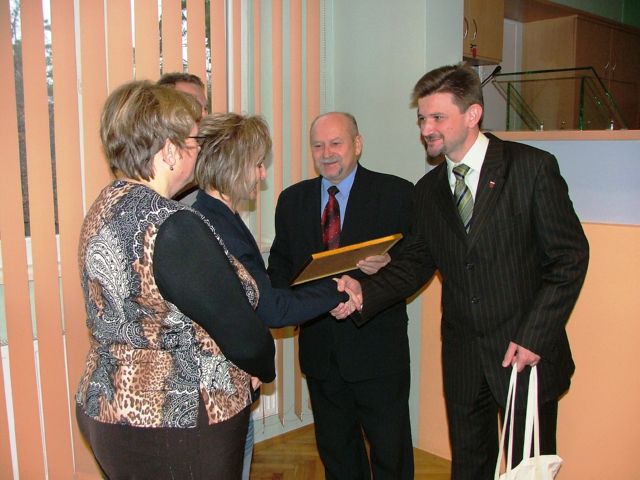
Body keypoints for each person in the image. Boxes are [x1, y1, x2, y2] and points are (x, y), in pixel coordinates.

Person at [337, 64, 589, 479]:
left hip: (524, 352)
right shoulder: (428, 190)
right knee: (469, 467)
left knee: (529, 467)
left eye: (437, 117)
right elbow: (416, 261)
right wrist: (365, 291)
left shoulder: (531, 168)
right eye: (422, 119)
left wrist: (534, 336)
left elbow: (570, 258)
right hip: (463, 359)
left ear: (473, 114)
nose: (426, 129)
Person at [75, 80, 275, 479]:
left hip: (107, 404)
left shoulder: (105, 206)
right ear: (169, 151)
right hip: (175, 420)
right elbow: (240, 331)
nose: (199, 150)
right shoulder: (173, 226)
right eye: (194, 140)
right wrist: (262, 367)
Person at [190, 112, 359, 479]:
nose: (262, 174)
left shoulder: (211, 214)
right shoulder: (220, 227)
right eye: (257, 164)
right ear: (234, 166)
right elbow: (270, 308)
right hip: (219, 395)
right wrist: (337, 289)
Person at [267, 112, 415, 479]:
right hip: (321, 352)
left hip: (377, 351)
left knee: (391, 453)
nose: (327, 153)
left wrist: (388, 264)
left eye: (336, 143)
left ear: (357, 144)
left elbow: (415, 263)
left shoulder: (396, 193)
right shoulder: (292, 199)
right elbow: (281, 264)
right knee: (337, 453)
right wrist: (283, 307)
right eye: (318, 145)